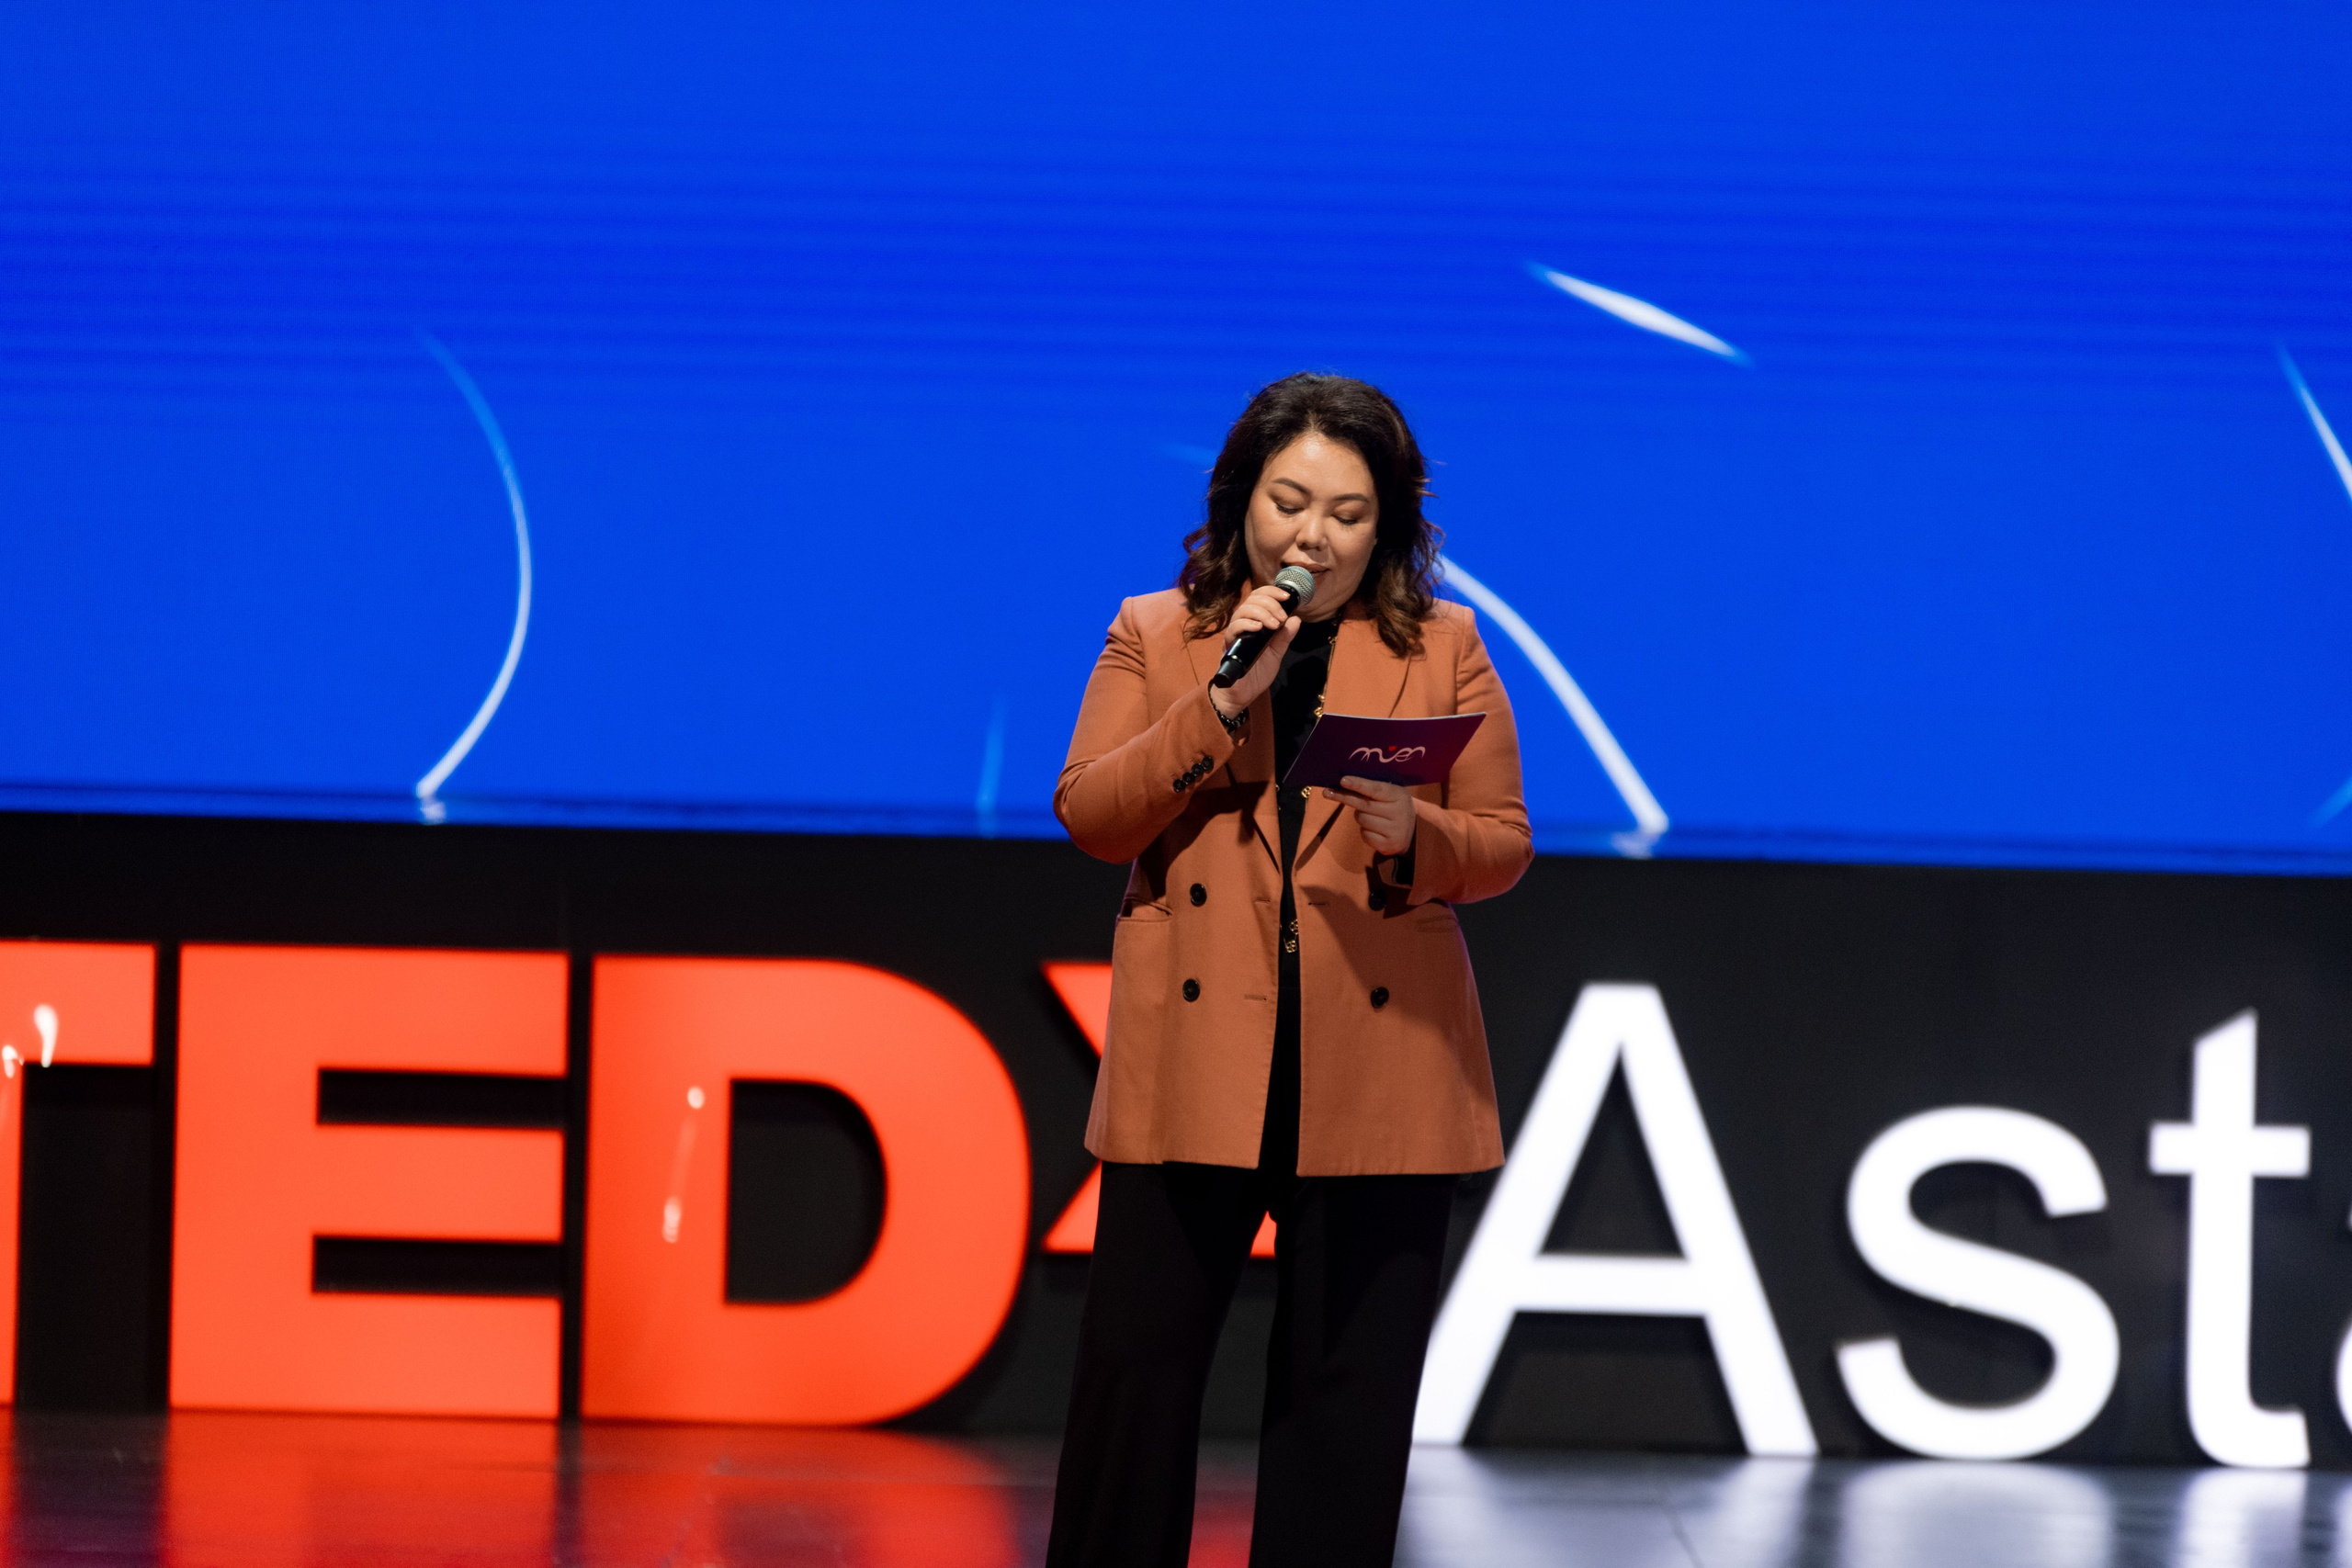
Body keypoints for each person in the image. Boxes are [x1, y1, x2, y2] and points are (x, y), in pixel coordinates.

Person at [1045, 372, 1532, 1567]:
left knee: (1346, 1412)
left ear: (1391, 524)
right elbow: (1092, 812)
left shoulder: (1448, 648)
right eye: (1290, 501)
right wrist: (1218, 709)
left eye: (1349, 513)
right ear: (1241, 501)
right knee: (1135, 1394)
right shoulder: (1157, 633)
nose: (1314, 535)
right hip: (1196, 1063)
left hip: (1378, 1071)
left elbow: (1504, 842)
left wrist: (1416, 839)